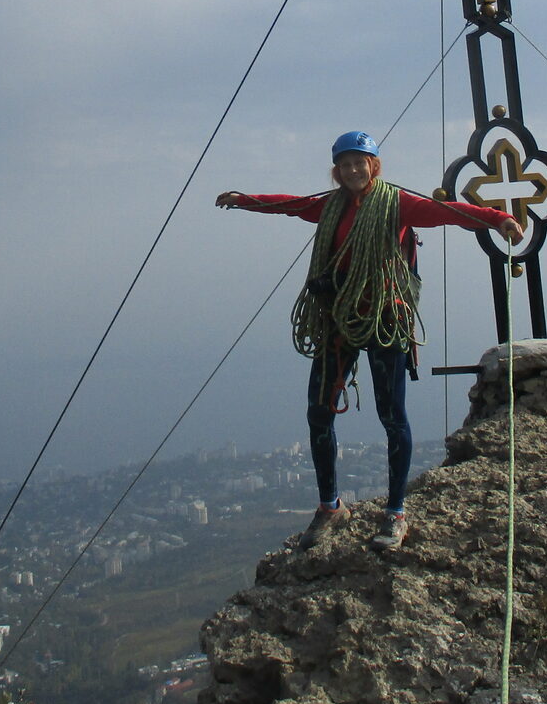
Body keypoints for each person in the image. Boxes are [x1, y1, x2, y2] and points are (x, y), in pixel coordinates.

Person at [216, 130, 523, 551]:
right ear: (337, 170)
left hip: (384, 319)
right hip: (340, 318)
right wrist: (244, 200)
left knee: (391, 415)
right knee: (318, 411)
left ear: (373, 166)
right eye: (345, 164)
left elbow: (448, 211)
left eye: (360, 162)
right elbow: (292, 204)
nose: (353, 170)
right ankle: (330, 507)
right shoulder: (330, 206)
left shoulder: (397, 204)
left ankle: (396, 513)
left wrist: (497, 219)